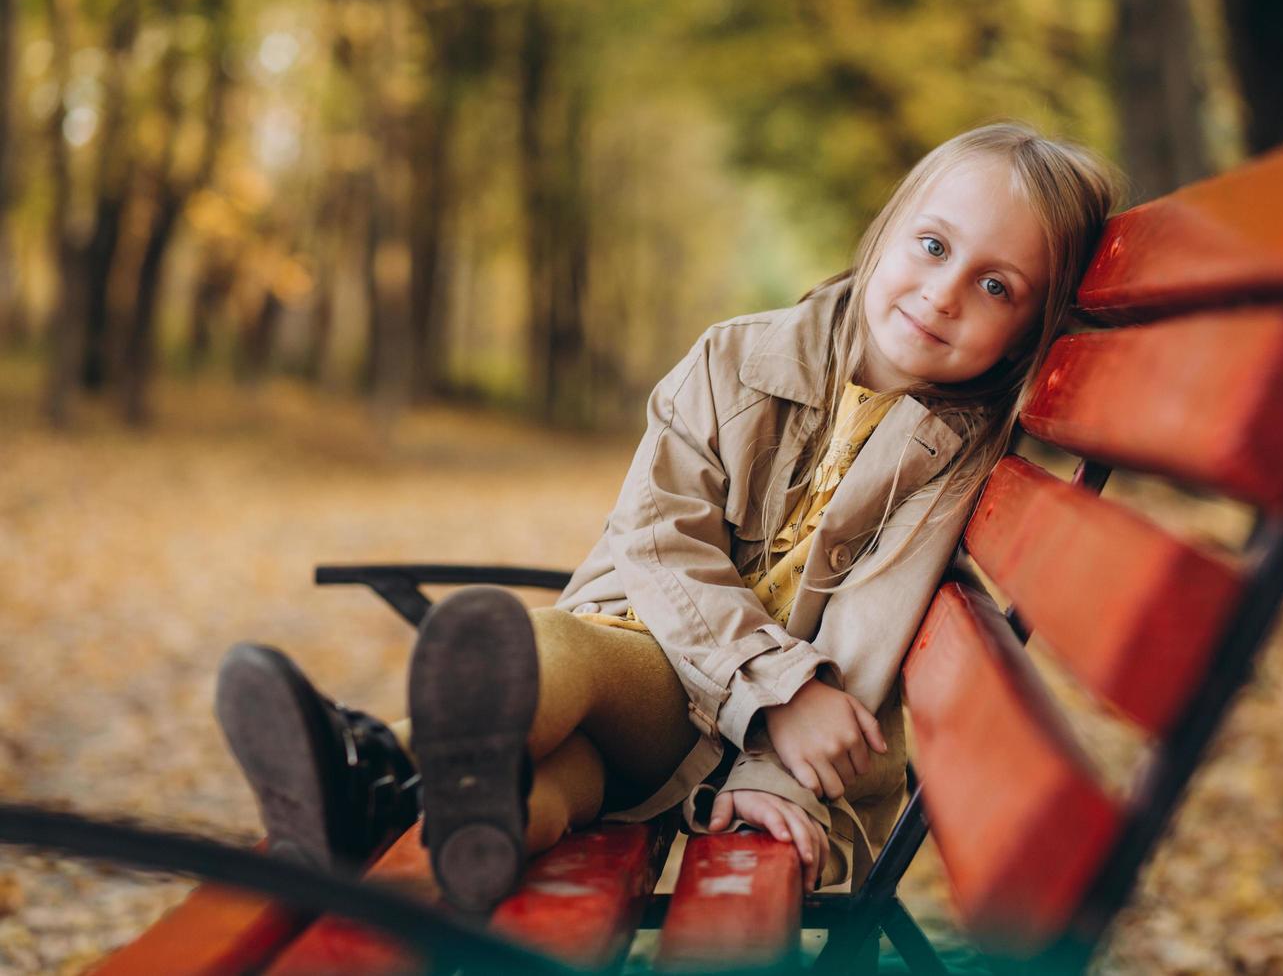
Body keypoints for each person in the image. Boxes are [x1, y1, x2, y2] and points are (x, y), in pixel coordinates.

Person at [215, 122, 1119, 913]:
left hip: (694, 730)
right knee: (542, 780)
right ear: (886, 234)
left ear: (1029, 330)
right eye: (932, 245)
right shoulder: (734, 360)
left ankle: (366, 773)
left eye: (997, 287)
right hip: (642, 674)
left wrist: (780, 763)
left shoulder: (956, 465)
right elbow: (657, 537)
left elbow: (869, 649)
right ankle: (452, 828)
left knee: (552, 648)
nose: (947, 290)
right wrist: (778, 690)